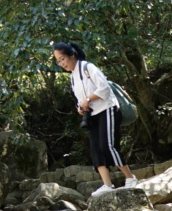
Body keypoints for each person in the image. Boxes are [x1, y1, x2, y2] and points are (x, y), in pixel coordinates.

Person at [52, 42, 134, 195]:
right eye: (58, 61)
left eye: (63, 59)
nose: (61, 63)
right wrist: (80, 107)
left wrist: (88, 99)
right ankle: (107, 185)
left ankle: (130, 178)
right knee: (96, 149)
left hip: (107, 109)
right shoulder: (72, 77)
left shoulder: (87, 67)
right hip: (93, 114)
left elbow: (104, 88)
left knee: (107, 146)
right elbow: (81, 98)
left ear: (72, 55)